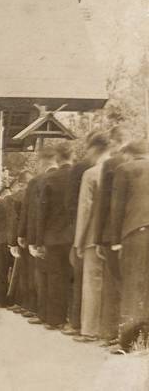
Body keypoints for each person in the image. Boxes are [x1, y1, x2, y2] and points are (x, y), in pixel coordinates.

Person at [109, 140, 149, 353]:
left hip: (136, 234)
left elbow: (117, 208)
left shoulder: (125, 169)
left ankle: (128, 343)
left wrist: (115, 241)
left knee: (132, 288)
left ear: (129, 154)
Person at [72, 133, 111, 342]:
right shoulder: (120, 169)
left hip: (92, 238)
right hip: (116, 237)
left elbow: (85, 210)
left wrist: (79, 241)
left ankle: (90, 330)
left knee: (92, 284)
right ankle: (110, 331)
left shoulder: (91, 173)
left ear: (94, 149)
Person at [94, 125, 131, 346]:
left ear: (113, 142)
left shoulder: (111, 164)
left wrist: (98, 238)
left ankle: (114, 334)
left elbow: (103, 204)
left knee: (114, 284)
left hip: (113, 234)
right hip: (137, 231)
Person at [18, 146, 58, 325]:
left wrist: (24, 235)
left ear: (42, 161)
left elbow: (30, 212)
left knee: (41, 276)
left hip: (41, 236)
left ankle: (42, 313)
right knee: (61, 277)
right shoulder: (71, 176)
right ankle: (59, 316)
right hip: (65, 237)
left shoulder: (37, 181)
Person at [36, 142, 74, 330]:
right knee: (74, 278)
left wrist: (39, 240)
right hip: (74, 236)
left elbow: (42, 212)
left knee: (55, 278)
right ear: (72, 156)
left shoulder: (49, 179)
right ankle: (73, 319)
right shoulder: (79, 175)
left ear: (57, 158)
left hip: (52, 237)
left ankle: (55, 319)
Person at [6, 171, 33, 313]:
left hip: (21, 239)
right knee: (33, 273)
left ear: (20, 183)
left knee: (22, 272)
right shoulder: (36, 195)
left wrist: (13, 243)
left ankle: (21, 303)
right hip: (35, 239)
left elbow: (13, 222)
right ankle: (31, 305)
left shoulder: (14, 198)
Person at [0, 186, 13, 308]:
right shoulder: (16, 201)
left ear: (1, 195)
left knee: (1, 271)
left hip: (2, 241)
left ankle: (2, 301)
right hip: (14, 241)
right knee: (16, 271)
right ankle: (15, 300)